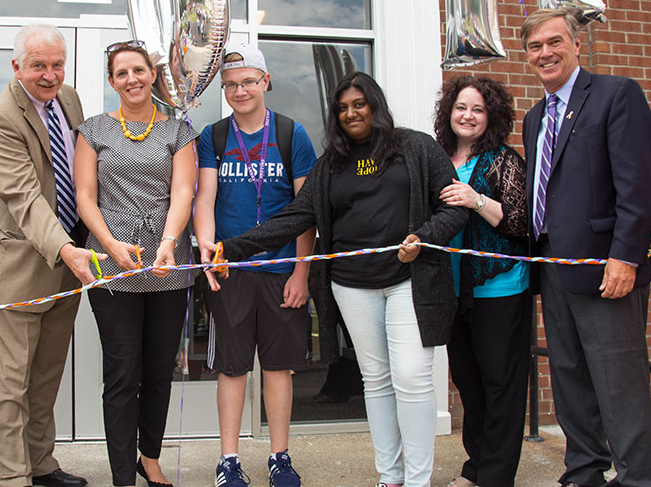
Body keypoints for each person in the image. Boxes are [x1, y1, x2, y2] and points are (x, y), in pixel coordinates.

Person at [211, 71, 468, 487]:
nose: (351, 113)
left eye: (359, 104)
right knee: (377, 380)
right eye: (343, 107)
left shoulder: (416, 147)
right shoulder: (332, 164)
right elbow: (296, 217)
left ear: (376, 105)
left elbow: (454, 207)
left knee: (412, 377)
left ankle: (418, 480)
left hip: (410, 280)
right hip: (351, 285)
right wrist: (234, 247)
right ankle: (391, 477)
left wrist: (424, 238)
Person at [520, 8, 651, 487]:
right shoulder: (535, 117)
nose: (545, 53)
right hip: (553, 265)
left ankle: (638, 476)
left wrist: (626, 257)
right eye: (535, 47)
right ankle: (584, 471)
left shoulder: (617, 95)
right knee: (569, 373)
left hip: (605, 265)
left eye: (554, 42)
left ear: (578, 45)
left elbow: (638, 187)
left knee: (620, 381)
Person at [0, 24, 102, 487]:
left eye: (56, 64)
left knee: (47, 374)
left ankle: (40, 464)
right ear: (16, 67)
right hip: (20, 266)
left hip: (69, 261)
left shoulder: (68, 100)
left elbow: (80, 176)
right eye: (38, 66)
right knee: (12, 383)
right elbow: (23, 197)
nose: (49, 76)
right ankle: (11, 477)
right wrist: (68, 250)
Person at [73, 40, 197, 487]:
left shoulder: (178, 131)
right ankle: (122, 474)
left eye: (139, 70)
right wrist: (109, 244)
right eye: (122, 73)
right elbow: (85, 197)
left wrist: (169, 243)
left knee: (159, 370)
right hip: (112, 265)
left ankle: (151, 458)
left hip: (168, 264)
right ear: (112, 81)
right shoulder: (93, 131)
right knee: (123, 372)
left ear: (152, 74)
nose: (132, 80)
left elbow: (183, 192)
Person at [194, 43, 316, 487]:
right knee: (232, 367)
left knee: (279, 367)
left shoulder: (291, 134)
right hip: (232, 273)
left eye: (248, 81)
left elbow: (307, 210)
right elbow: (204, 199)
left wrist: (302, 272)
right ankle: (229, 459)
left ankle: (279, 456)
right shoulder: (215, 136)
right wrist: (208, 249)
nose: (240, 90)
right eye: (230, 84)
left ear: (265, 82)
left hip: (282, 271)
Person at [434, 76, 530, 487]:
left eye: (477, 109)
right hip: (451, 289)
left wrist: (475, 199)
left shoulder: (503, 159)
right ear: (448, 112)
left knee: (500, 384)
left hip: (499, 288)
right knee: (468, 383)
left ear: (490, 116)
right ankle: (477, 466)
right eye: (461, 107)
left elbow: (520, 221)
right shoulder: (437, 157)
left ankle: (494, 477)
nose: (467, 116)